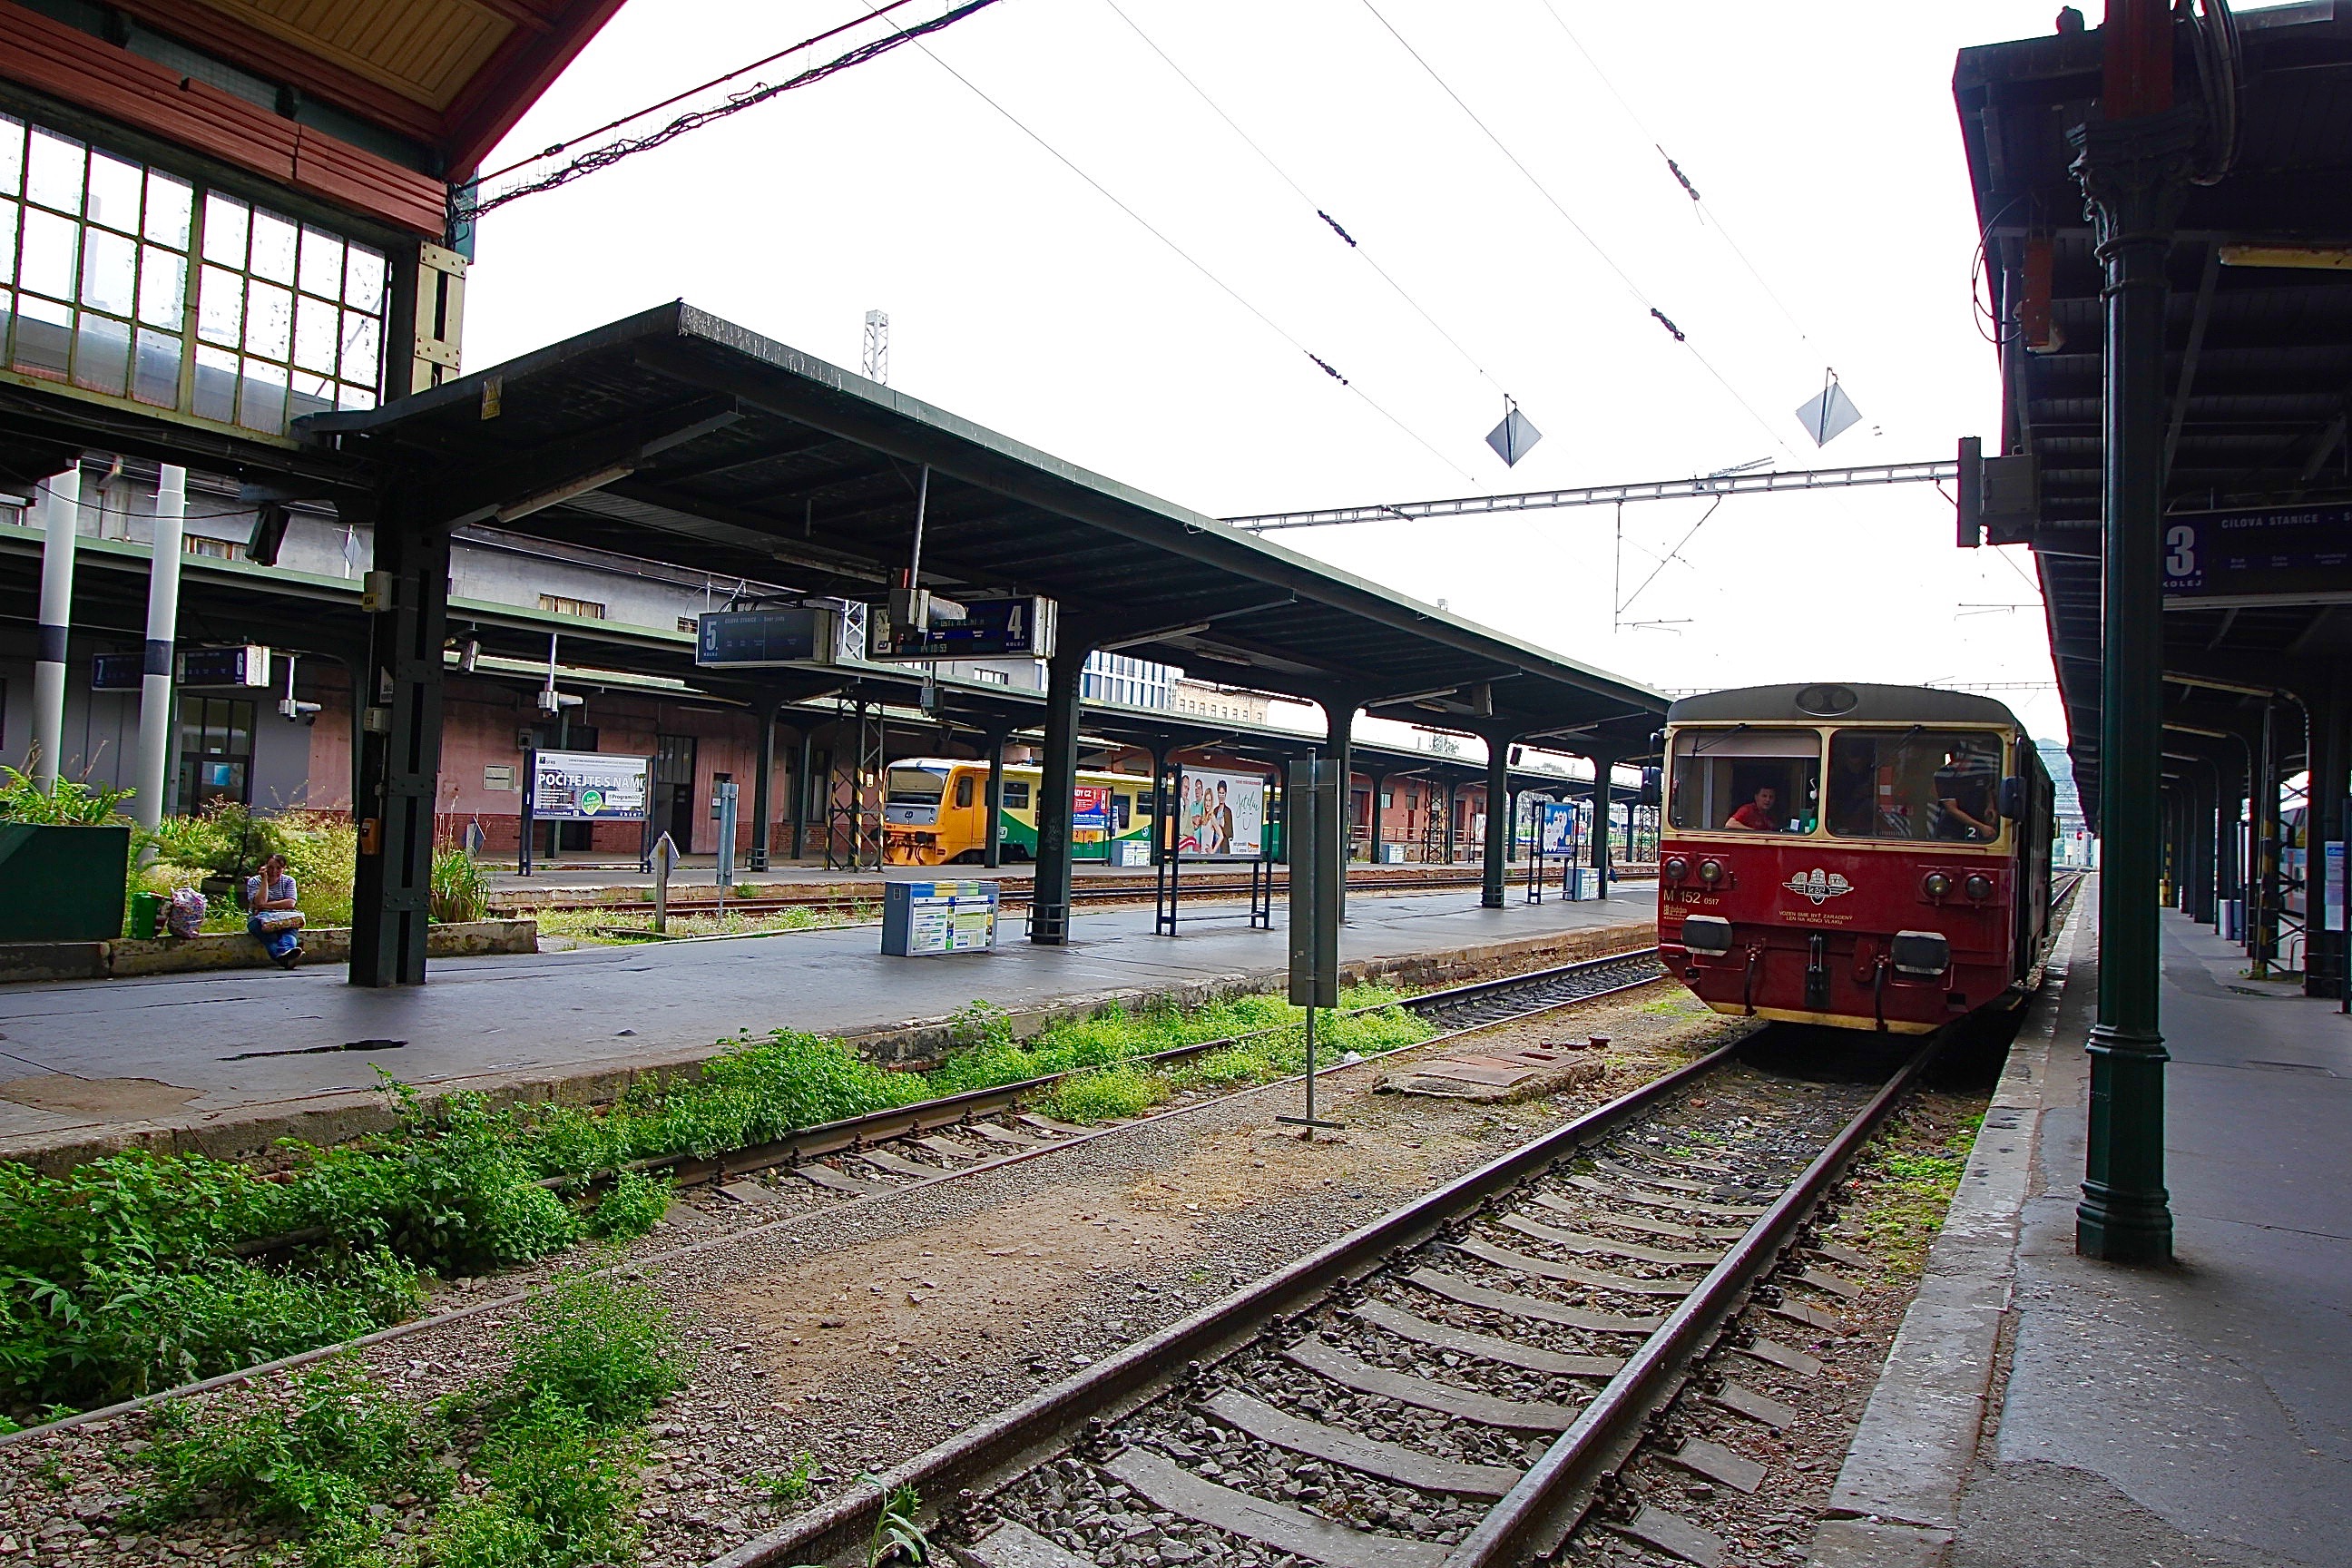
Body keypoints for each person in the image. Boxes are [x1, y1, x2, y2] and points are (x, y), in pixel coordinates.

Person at [245, 852, 305, 969]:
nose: (274, 871)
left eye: (278, 868)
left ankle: (286, 957)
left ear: (284, 869)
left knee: (289, 934)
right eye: (271, 868)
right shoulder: (254, 881)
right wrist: (264, 881)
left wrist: (263, 906)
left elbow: (290, 903)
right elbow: (259, 901)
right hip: (259, 919)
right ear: (265, 867)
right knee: (271, 938)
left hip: (285, 917)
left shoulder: (288, 881)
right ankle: (288, 958)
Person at [1934, 747, 2001, 840]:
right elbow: (1951, 809)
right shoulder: (1944, 774)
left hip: (1979, 819)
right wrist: (1981, 827)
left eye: (1960, 761)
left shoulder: (1981, 768)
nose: (1957, 765)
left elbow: (1988, 789)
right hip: (1952, 826)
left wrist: (1990, 806)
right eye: (1954, 762)